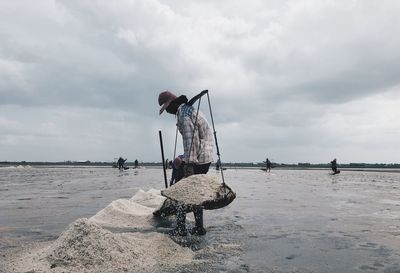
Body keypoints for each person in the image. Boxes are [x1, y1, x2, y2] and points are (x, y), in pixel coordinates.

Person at [158, 90, 213, 236]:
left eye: (167, 108)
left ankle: (181, 228)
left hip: (197, 159)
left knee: (183, 189)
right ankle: (199, 228)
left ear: (171, 103)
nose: (168, 111)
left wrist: (186, 162)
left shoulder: (184, 113)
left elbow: (191, 140)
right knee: (194, 192)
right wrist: (182, 157)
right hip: (204, 157)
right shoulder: (188, 110)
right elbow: (196, 140)